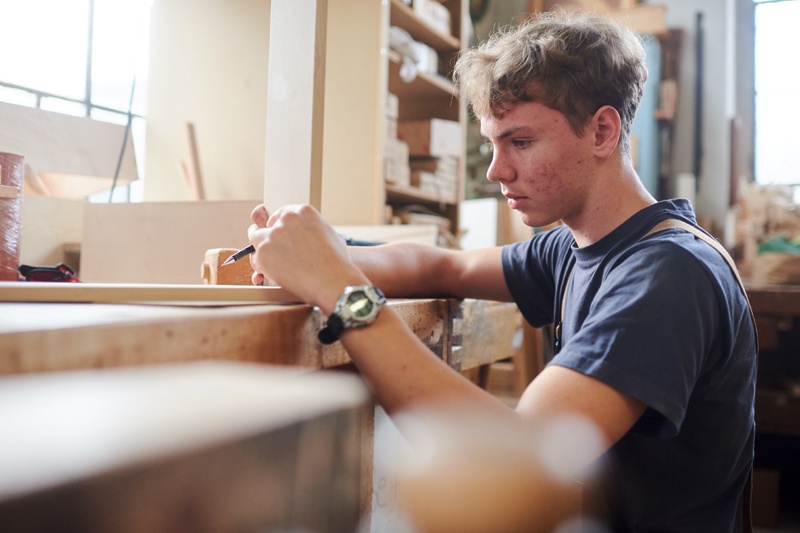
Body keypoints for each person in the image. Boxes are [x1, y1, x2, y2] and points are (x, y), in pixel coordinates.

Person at [246, 10, 757, 532]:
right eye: (493, 144)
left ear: (602, 130)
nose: (496, 171)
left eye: (520, 142)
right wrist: (313, 254)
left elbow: (523, 455)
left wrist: (343, 291)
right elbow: (441, 265)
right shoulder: (574, 246)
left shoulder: (667, 273)